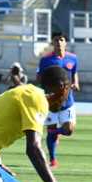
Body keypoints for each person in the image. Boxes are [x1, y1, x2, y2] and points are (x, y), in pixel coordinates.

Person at [37, 33, 80, 169]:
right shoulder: (45, 60)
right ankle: (53, 160)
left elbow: (74, 73)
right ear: (52, 43)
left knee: (69, 130)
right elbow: (39, 78)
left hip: (68, 101)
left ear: (65, 42)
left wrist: (75, 83)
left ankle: (55, 133)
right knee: (51, 127)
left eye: (61, 40)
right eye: (56, 40)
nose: (59, 42)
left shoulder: (73, 58)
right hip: (51, 101)